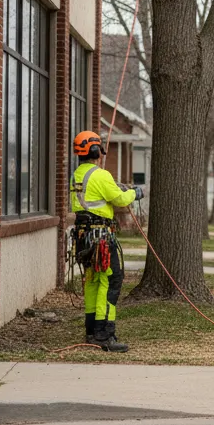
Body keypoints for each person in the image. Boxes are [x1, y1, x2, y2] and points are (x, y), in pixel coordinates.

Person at [70, 130, 144, 352]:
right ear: (96, 151)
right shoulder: (101, 175)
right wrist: (135, 193)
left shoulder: (78, 174)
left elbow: (101, 196)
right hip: (101, 237)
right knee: (111, 281)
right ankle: (104, 334)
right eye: (99, 150)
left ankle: (91, 330)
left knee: (92, 281)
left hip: (84, 238)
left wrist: (117, 189)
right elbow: (120, 199)